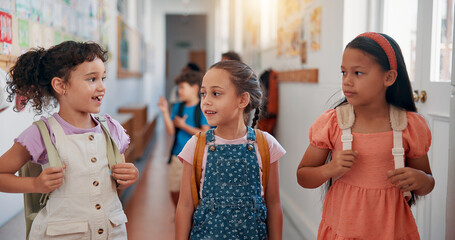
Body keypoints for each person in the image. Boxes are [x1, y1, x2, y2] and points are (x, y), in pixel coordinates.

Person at [296, 32, 434, 239]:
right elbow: (303, 176)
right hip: (343, 229)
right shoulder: (333, 123)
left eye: (358, 73)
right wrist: (330, 168)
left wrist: (420, 179)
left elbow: (428, 184)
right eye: (343, 73)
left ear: (389, 77)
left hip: (391, 231)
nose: (347, 81)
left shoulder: (408, 126)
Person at [0, 41, 139, 239]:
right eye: (92, 79)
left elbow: (118, 183)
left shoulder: (112, 129)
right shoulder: (42, 133)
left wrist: (129, 177)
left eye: (103, 78)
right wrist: (35, 185)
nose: (102, 87)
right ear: (60, 85)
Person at [175, 60, 286, 239]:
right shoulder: (196, 145)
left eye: (216, 93)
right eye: (203, 94)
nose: (206, 102)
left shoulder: (266, 145)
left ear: (242, 99)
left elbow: (273, 204)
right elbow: (185, 205)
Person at [158, 70, 210, 208]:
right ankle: (179, 212)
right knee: (174, 190)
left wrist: (183, 125)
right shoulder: (178, 107)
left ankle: (191, 218)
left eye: (182, 87)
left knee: (195, 192)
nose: (179, 91)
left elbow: (204, 133)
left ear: (194, 88)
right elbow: (171, 131)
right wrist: (164, 111)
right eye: (178, 88)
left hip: (196, 158)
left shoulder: (203, 108)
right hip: (177, 155)